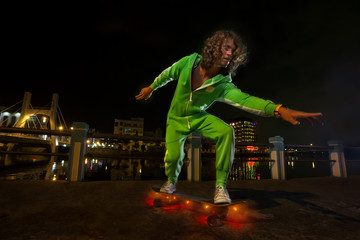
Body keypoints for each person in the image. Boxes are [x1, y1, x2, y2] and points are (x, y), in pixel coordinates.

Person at [136, 30, 322, 204]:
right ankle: (171, 182)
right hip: (175, 119)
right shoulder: (188, 62)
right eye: (226, 47)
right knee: (174, 157)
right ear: (213, 47)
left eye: (233, 51)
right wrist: (151, 88)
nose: (229, 53)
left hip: (198, 117)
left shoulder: (223, 83)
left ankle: (220, 187)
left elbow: (246, 100)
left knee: (226, 131)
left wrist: (279, 109)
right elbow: (168, 73)